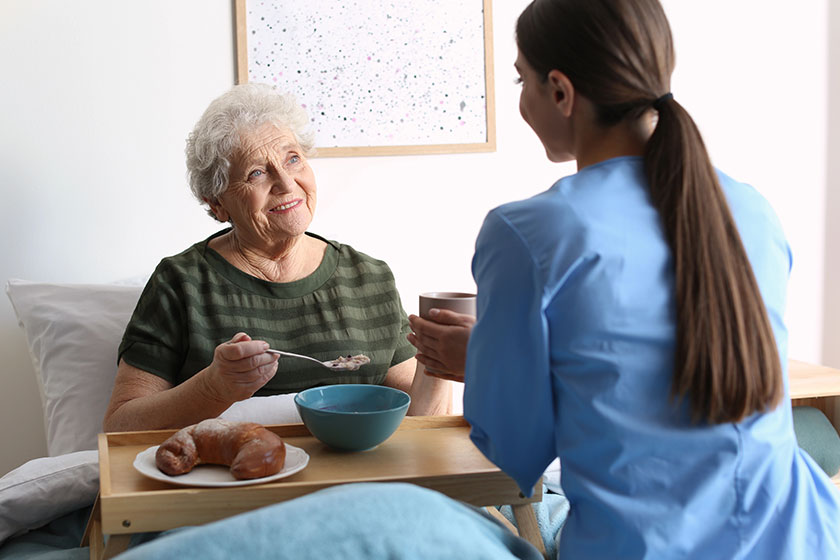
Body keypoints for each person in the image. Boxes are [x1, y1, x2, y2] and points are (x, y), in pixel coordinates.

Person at [407, 0, 840, 557]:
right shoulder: (751, 209)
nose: (522, 100)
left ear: (561, 91)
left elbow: (518, 451)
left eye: (522, 79)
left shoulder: (529, 232)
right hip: (802, 538)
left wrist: (486, 362)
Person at [104, 83, 451, 432]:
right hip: (230, 481)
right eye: (256, 172)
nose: (286, 182)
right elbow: (119, 428)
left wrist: (440, 356)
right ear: (218, 204)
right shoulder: (180, 283)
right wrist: (214, 388)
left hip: (356, 481)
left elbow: (421, 426)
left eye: (293, 158)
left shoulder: (369, 278)